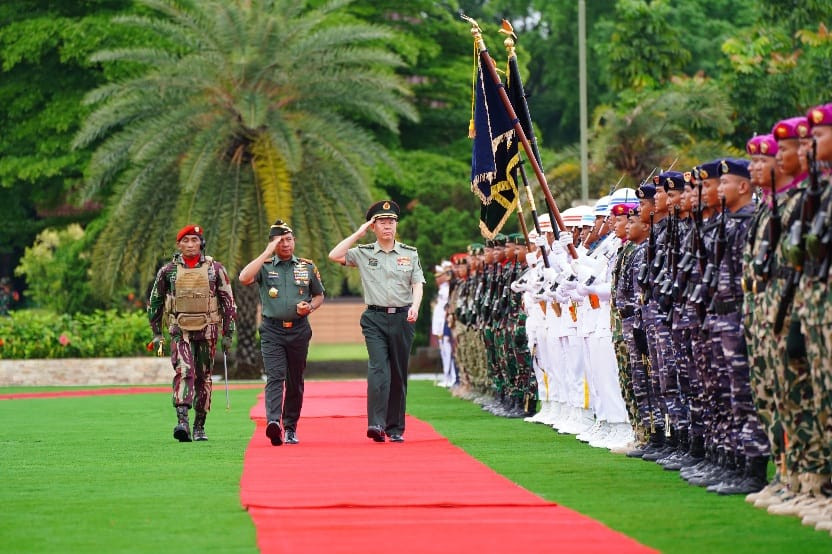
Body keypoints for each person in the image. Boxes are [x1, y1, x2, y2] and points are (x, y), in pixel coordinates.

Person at [328, 200, 425, 443]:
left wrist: (415, 306)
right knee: (378, 369)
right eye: (382, 222)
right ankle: (376, 423)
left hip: (403, 316)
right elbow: (334, 255)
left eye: (391, 221)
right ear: (374, 226)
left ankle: (395, 428)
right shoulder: (363, 252)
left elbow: (418, 284)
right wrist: (359, 232)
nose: (387, 226)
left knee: (398, 374)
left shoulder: (409, 253)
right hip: (374, 318)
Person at [239, 220, 325, 446]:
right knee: (275, 376)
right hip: (272, 330)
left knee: (295, 380)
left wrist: (311, 307)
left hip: (299, 330)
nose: (285, 244)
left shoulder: (306, 266)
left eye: (289, 239)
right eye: (280, 240)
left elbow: (319, 295)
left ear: (294, 240)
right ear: (273, 243)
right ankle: (273, 422)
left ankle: (290, 427)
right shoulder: (265, 266)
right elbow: (244, 278)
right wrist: (267, 251)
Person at [148, 224, 237, 442]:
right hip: (181, 330)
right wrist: (157, 333)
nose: (190, 245)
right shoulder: (168, 271)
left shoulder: (215, 269)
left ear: (201, 243)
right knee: (185, 371)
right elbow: (155, 302)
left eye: (194, 240)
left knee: (203, 378)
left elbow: (228, 302)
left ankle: (199, 425)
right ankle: (182, 422)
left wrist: (228, 333)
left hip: (208, 330)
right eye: (185, 240)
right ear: (178, 244)